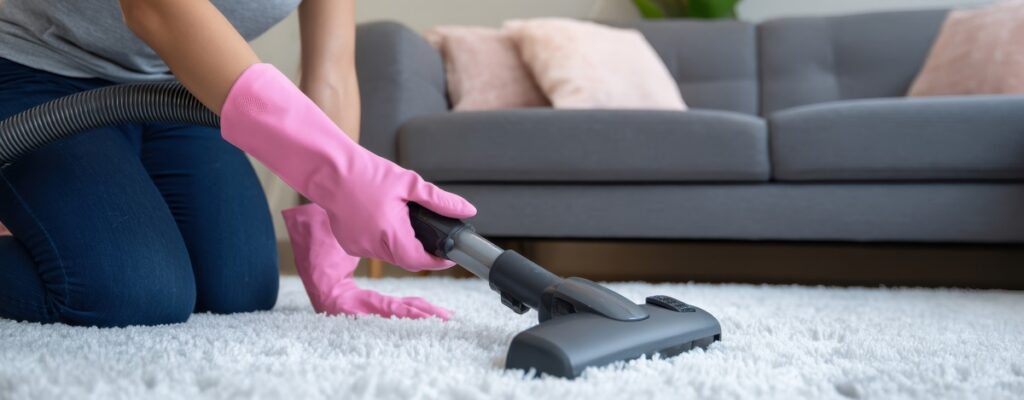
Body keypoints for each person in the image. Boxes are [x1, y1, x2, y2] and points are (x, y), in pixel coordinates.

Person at [0, 0, 474, 327]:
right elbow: (155, 9)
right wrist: (343, 173)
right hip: (32, 69)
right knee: (129, 294)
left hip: (170, 88)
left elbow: (330, 72)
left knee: (239, 289)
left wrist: (332, 241)